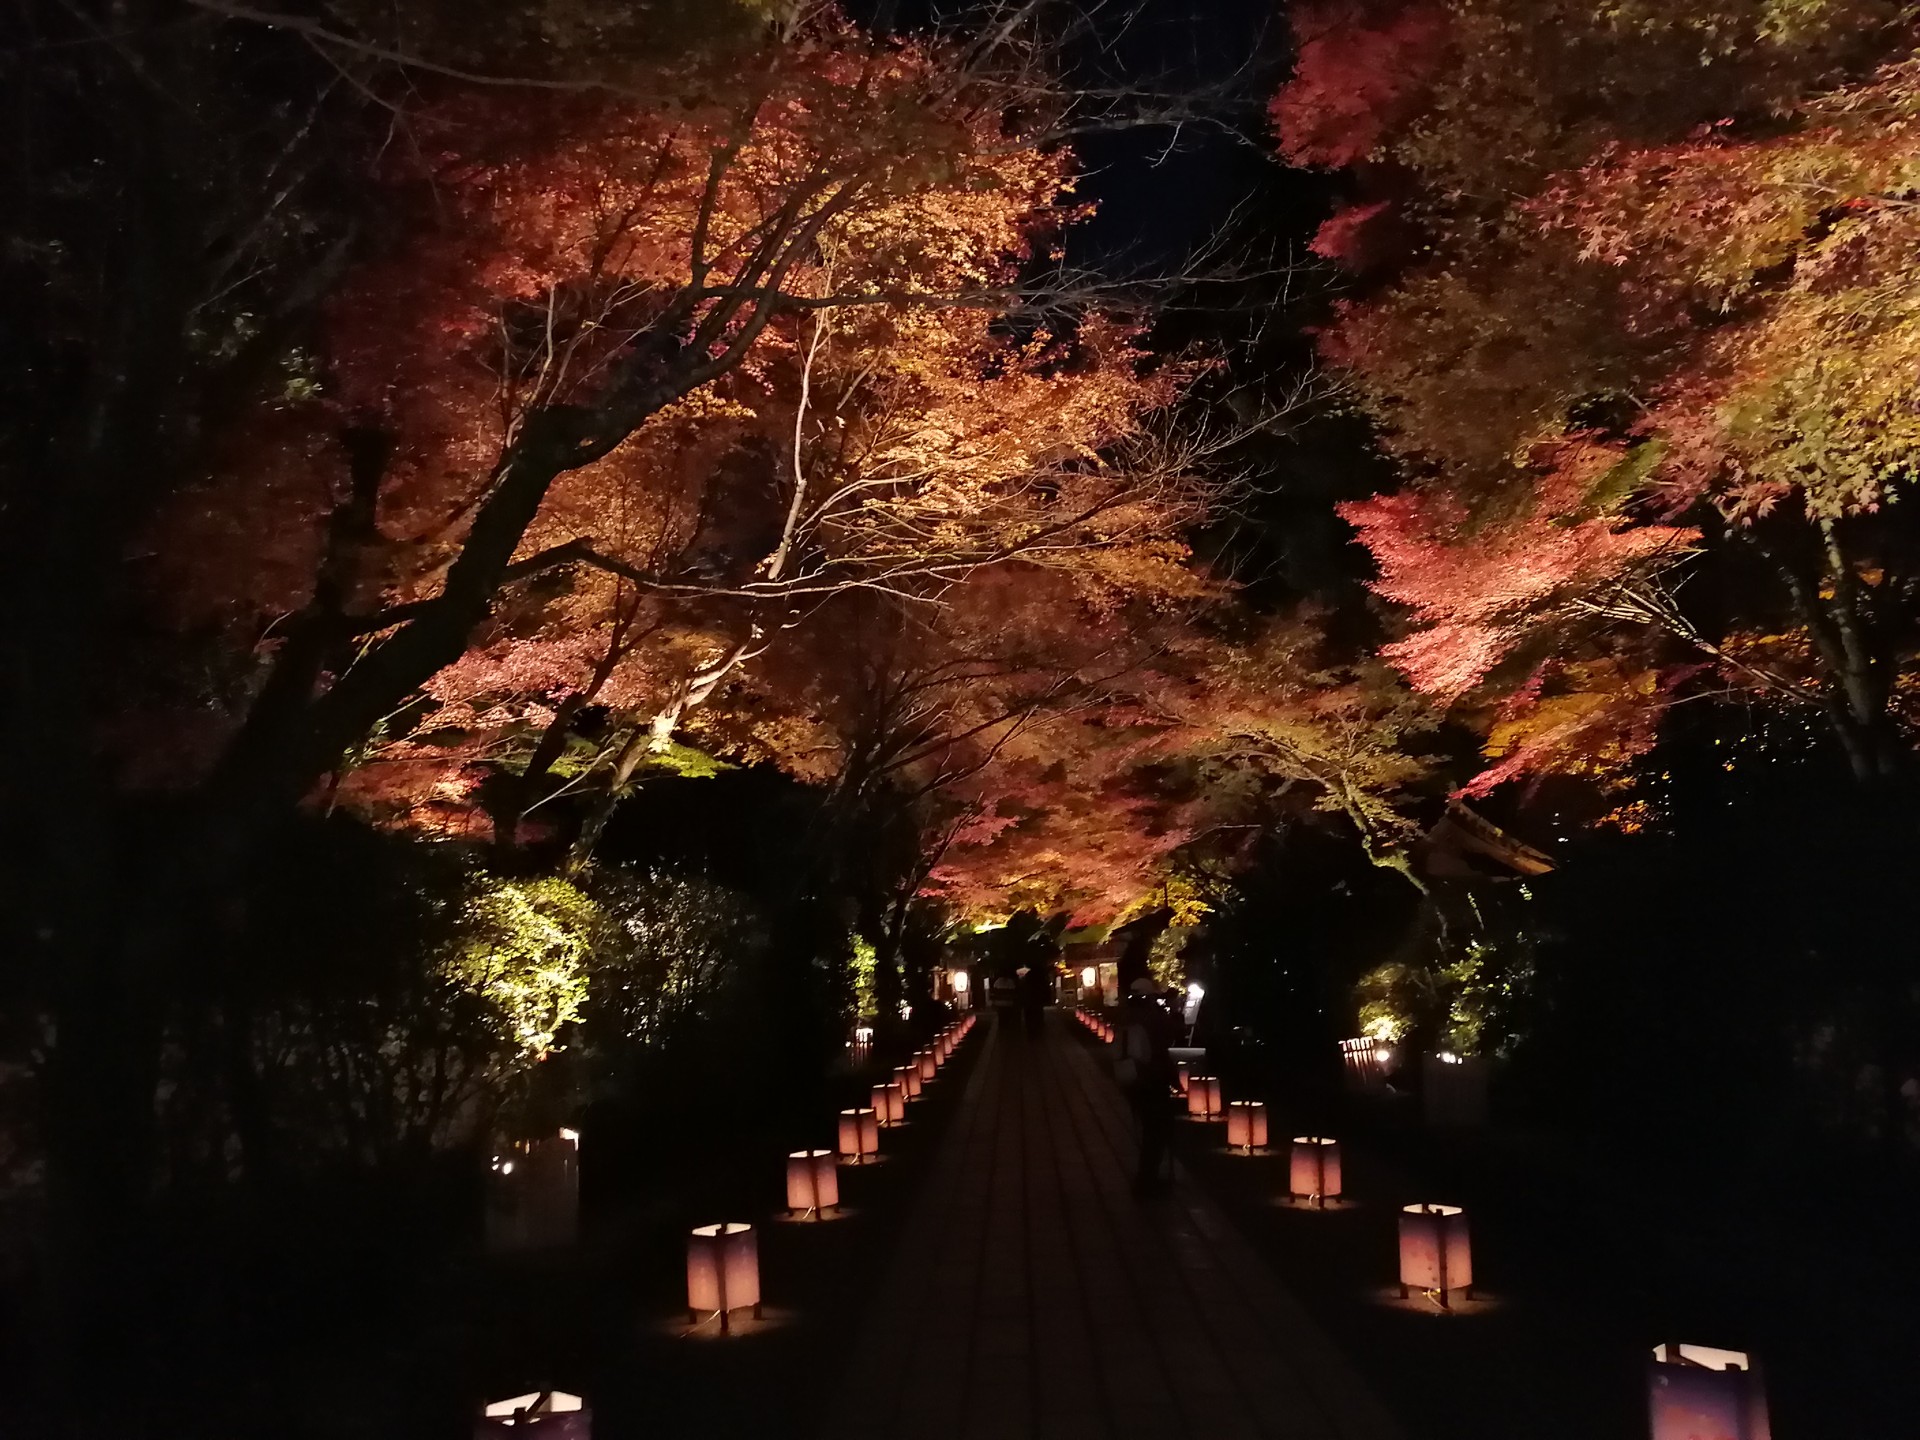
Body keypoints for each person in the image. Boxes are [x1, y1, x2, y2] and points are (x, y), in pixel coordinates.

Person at [1117, 976, 1177, 1195]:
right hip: (1152, 1078)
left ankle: (1147, 1177)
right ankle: (1147, 1180)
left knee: (1147, 1129)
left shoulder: (1126, 1016)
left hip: (1131, 1078)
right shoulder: (1153, 1017)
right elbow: (1165, 1043)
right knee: (1157, 1131)